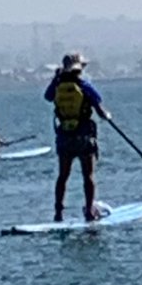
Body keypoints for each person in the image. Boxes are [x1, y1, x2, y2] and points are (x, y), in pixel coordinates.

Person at [44, 52, 111, 222]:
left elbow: (48, 96)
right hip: (83, 137)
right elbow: (100, 108)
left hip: (64, 137)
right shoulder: (84, 85)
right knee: (88, 175)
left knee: (62, 176)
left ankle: (58, 213)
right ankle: (89, 211)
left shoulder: (57, 85)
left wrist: (56, 78)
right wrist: (107, 116)